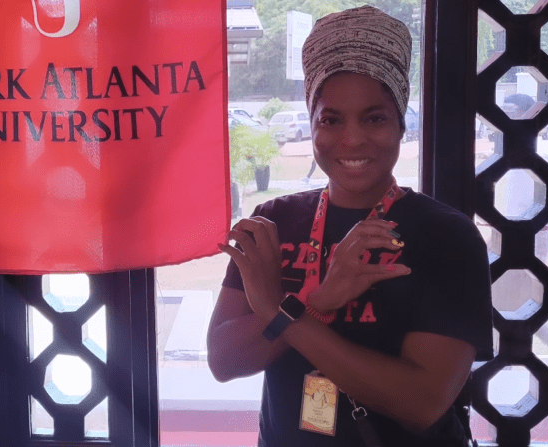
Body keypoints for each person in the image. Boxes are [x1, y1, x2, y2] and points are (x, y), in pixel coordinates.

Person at [207, 6, 493, 447]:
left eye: (374, 117)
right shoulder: (274, 222)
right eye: (331, 119)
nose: (353, 138)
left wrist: (282, 313)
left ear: (400, 123)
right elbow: (224, 361)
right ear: (312, 122)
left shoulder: (444, 236)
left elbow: (421, 404)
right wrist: (317, 299)